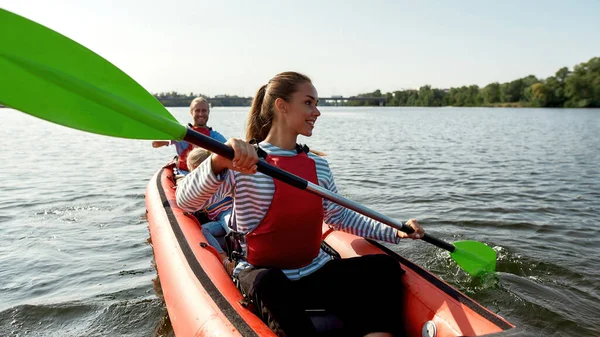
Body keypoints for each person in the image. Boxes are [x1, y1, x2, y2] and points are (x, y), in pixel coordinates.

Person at [176, 72, 424, 337]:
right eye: (308, 103)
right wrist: (216, 162)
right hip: (265, 275)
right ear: (281, 106)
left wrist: (394, 230)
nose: (316, 111)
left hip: (314, 271)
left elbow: (340, 217)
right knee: (268, 283)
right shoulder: (244, 162)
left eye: (315, 104)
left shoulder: (319, 166)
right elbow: (186, 201)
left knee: (383, 268)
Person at [152, 97, 226, 175]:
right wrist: (164, 141)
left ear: (208, 112)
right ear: (191, 112)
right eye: (197, 110)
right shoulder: (182, 131)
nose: (201, 114)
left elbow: (230, 150)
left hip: (206, 176)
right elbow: (159, 142)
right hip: (184, 174)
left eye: (204, 111)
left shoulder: (215, 136)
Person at [186, 147, 233, 265]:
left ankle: (244, 256)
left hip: (229, 212)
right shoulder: (197, 188)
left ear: (196, 167)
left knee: (233, 230)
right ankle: (223, 257)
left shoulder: (217, 180)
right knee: (203, 230)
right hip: (218, 220)